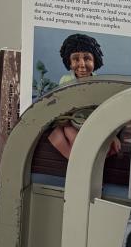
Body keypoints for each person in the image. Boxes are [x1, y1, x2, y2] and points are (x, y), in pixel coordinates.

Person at [48, 32, 120, 160]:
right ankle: (78, 162)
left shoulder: (99, 83)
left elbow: (103, 109)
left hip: (92, 122)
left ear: (95, 60)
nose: (82, 64)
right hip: (70, 121)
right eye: (76, 59)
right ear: (69, 62)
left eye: (87, 59)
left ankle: (86, 161)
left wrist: (111, 133)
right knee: (72, 136)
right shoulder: (65, 80)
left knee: (99, 141)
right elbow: (61, 106)